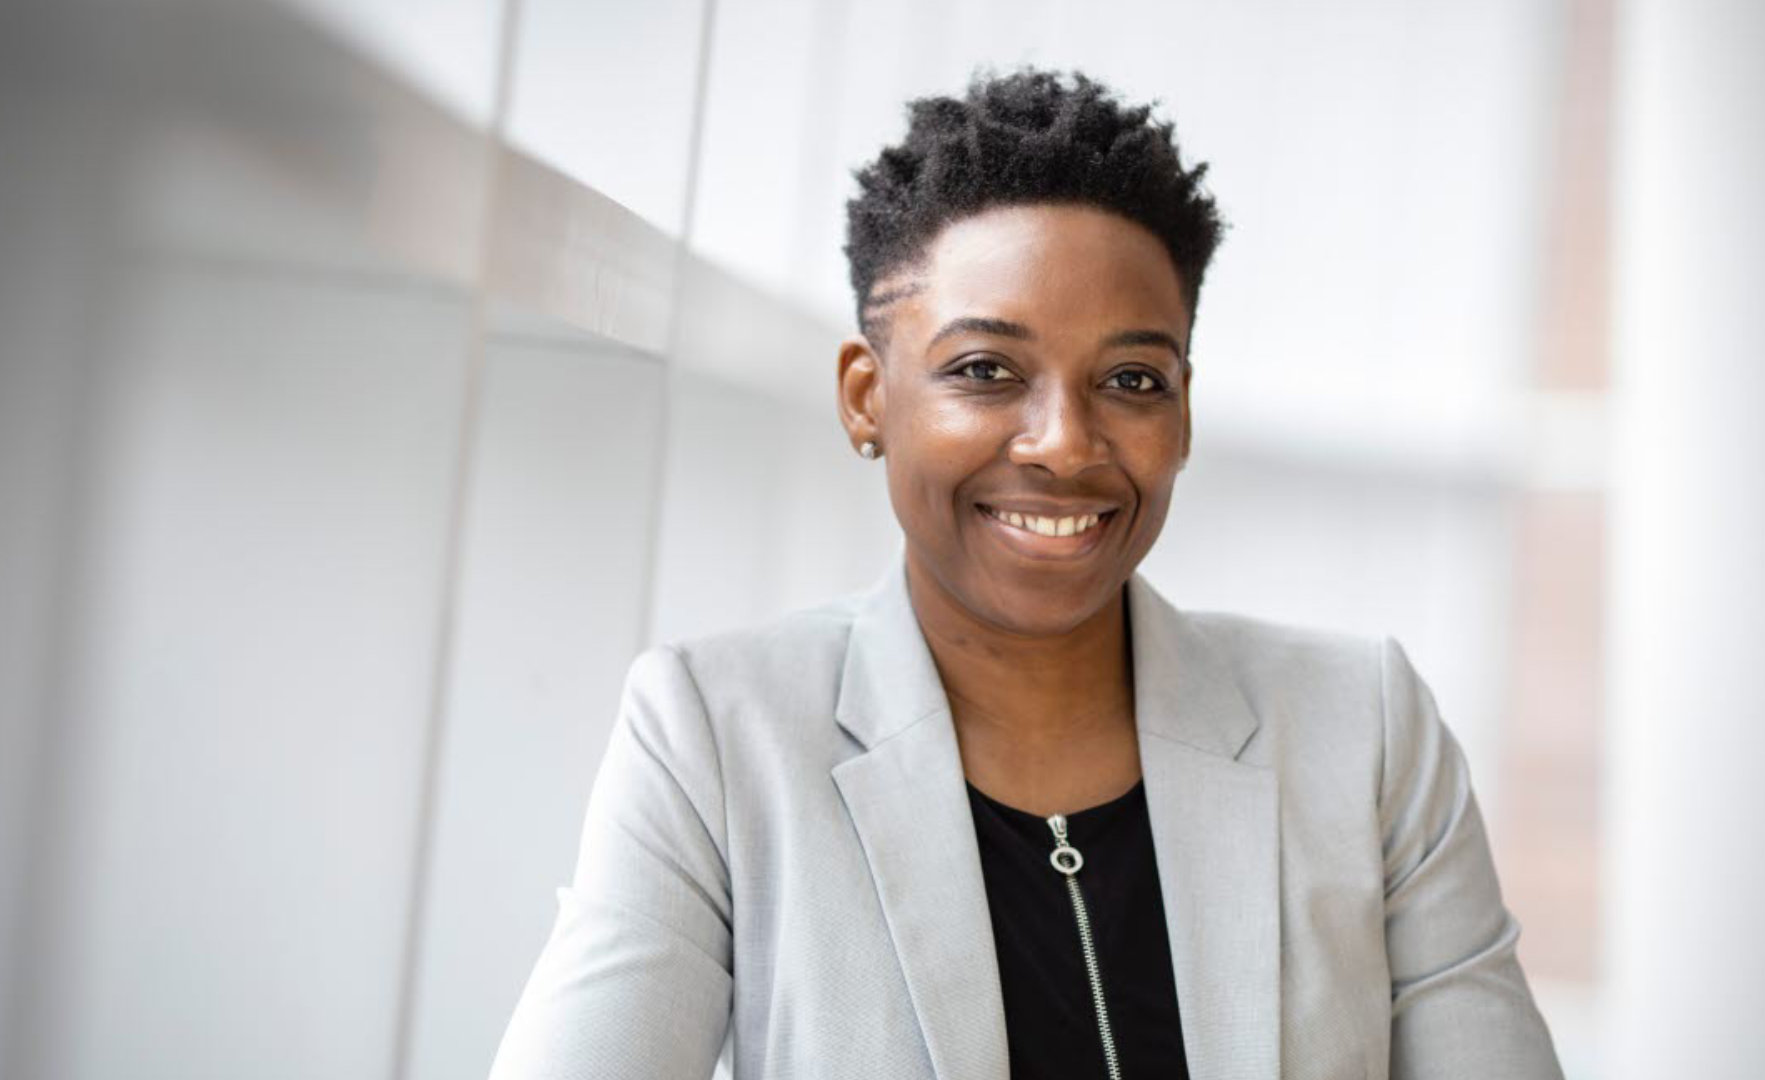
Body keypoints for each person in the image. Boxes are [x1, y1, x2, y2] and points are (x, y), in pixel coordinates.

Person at [490, 69, 1564, 1080]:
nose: (1064, 442)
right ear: (867, 397)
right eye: (985, 371)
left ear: (1183, 413)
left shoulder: (1363, 729)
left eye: (1132, 379)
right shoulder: (718, 736)